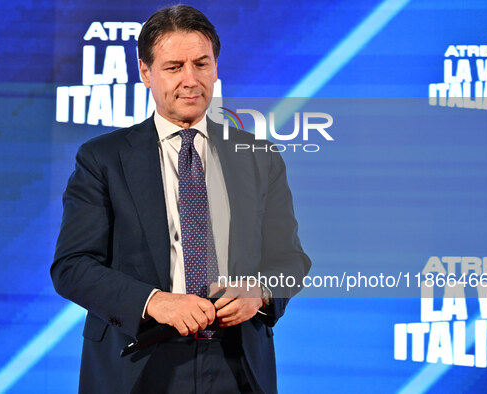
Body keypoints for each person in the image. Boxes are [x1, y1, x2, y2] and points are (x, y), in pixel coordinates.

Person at [51, 4, 311, 393]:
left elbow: (290, 260)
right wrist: (155, 301)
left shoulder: (258, 156)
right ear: (145, 73)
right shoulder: (102, 158)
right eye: (174, 67)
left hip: (236, 364)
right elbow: (72, 267)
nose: (191, 80)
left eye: (201, 64)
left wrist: (261, 291)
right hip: (138, 360)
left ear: (216, 68)